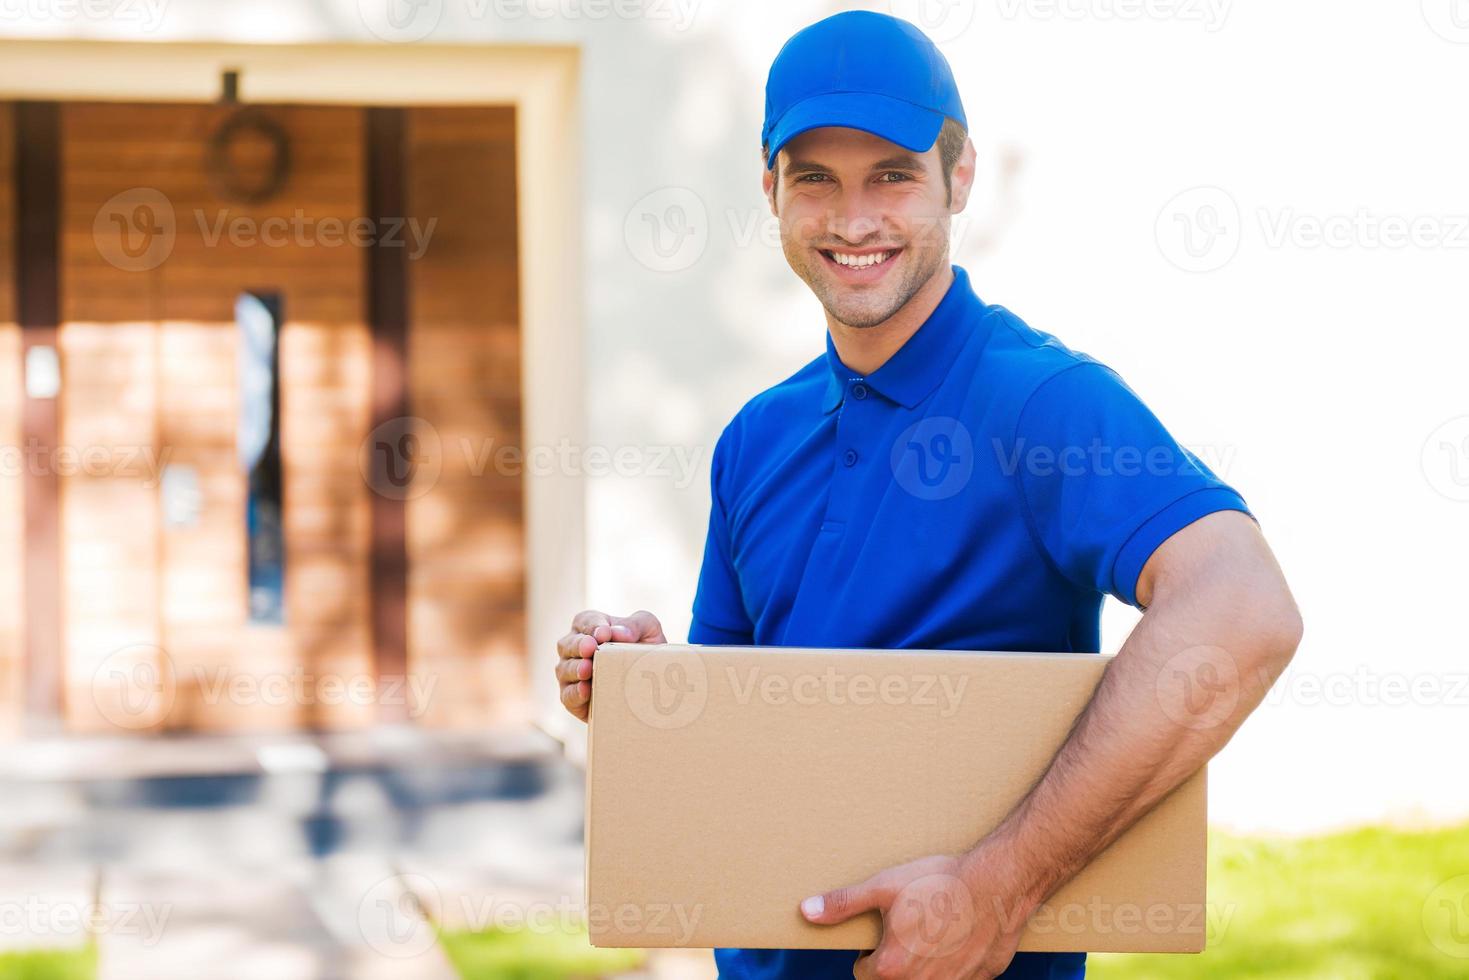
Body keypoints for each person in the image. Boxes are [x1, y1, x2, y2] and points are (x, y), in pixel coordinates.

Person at [556, 11, 1301, 979]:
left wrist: (1001, 885)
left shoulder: (1042, 399)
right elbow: (743, 709)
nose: (852, 219)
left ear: (959, 179)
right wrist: (643, 689)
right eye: (815, 177)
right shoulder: (755, 435)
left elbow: (1241, 613)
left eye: (892, 175)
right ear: (769, 189)